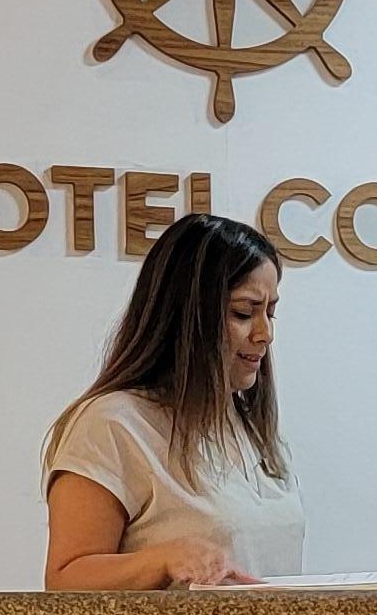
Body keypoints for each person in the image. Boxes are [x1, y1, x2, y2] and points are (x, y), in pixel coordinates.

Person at [43, 210, 305, 588]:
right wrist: (160, 560)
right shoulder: (113, 424)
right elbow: (64, 582)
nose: (265, 334)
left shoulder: (251, 427)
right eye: (243, 312)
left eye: (271, 313)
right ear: (187, 315)